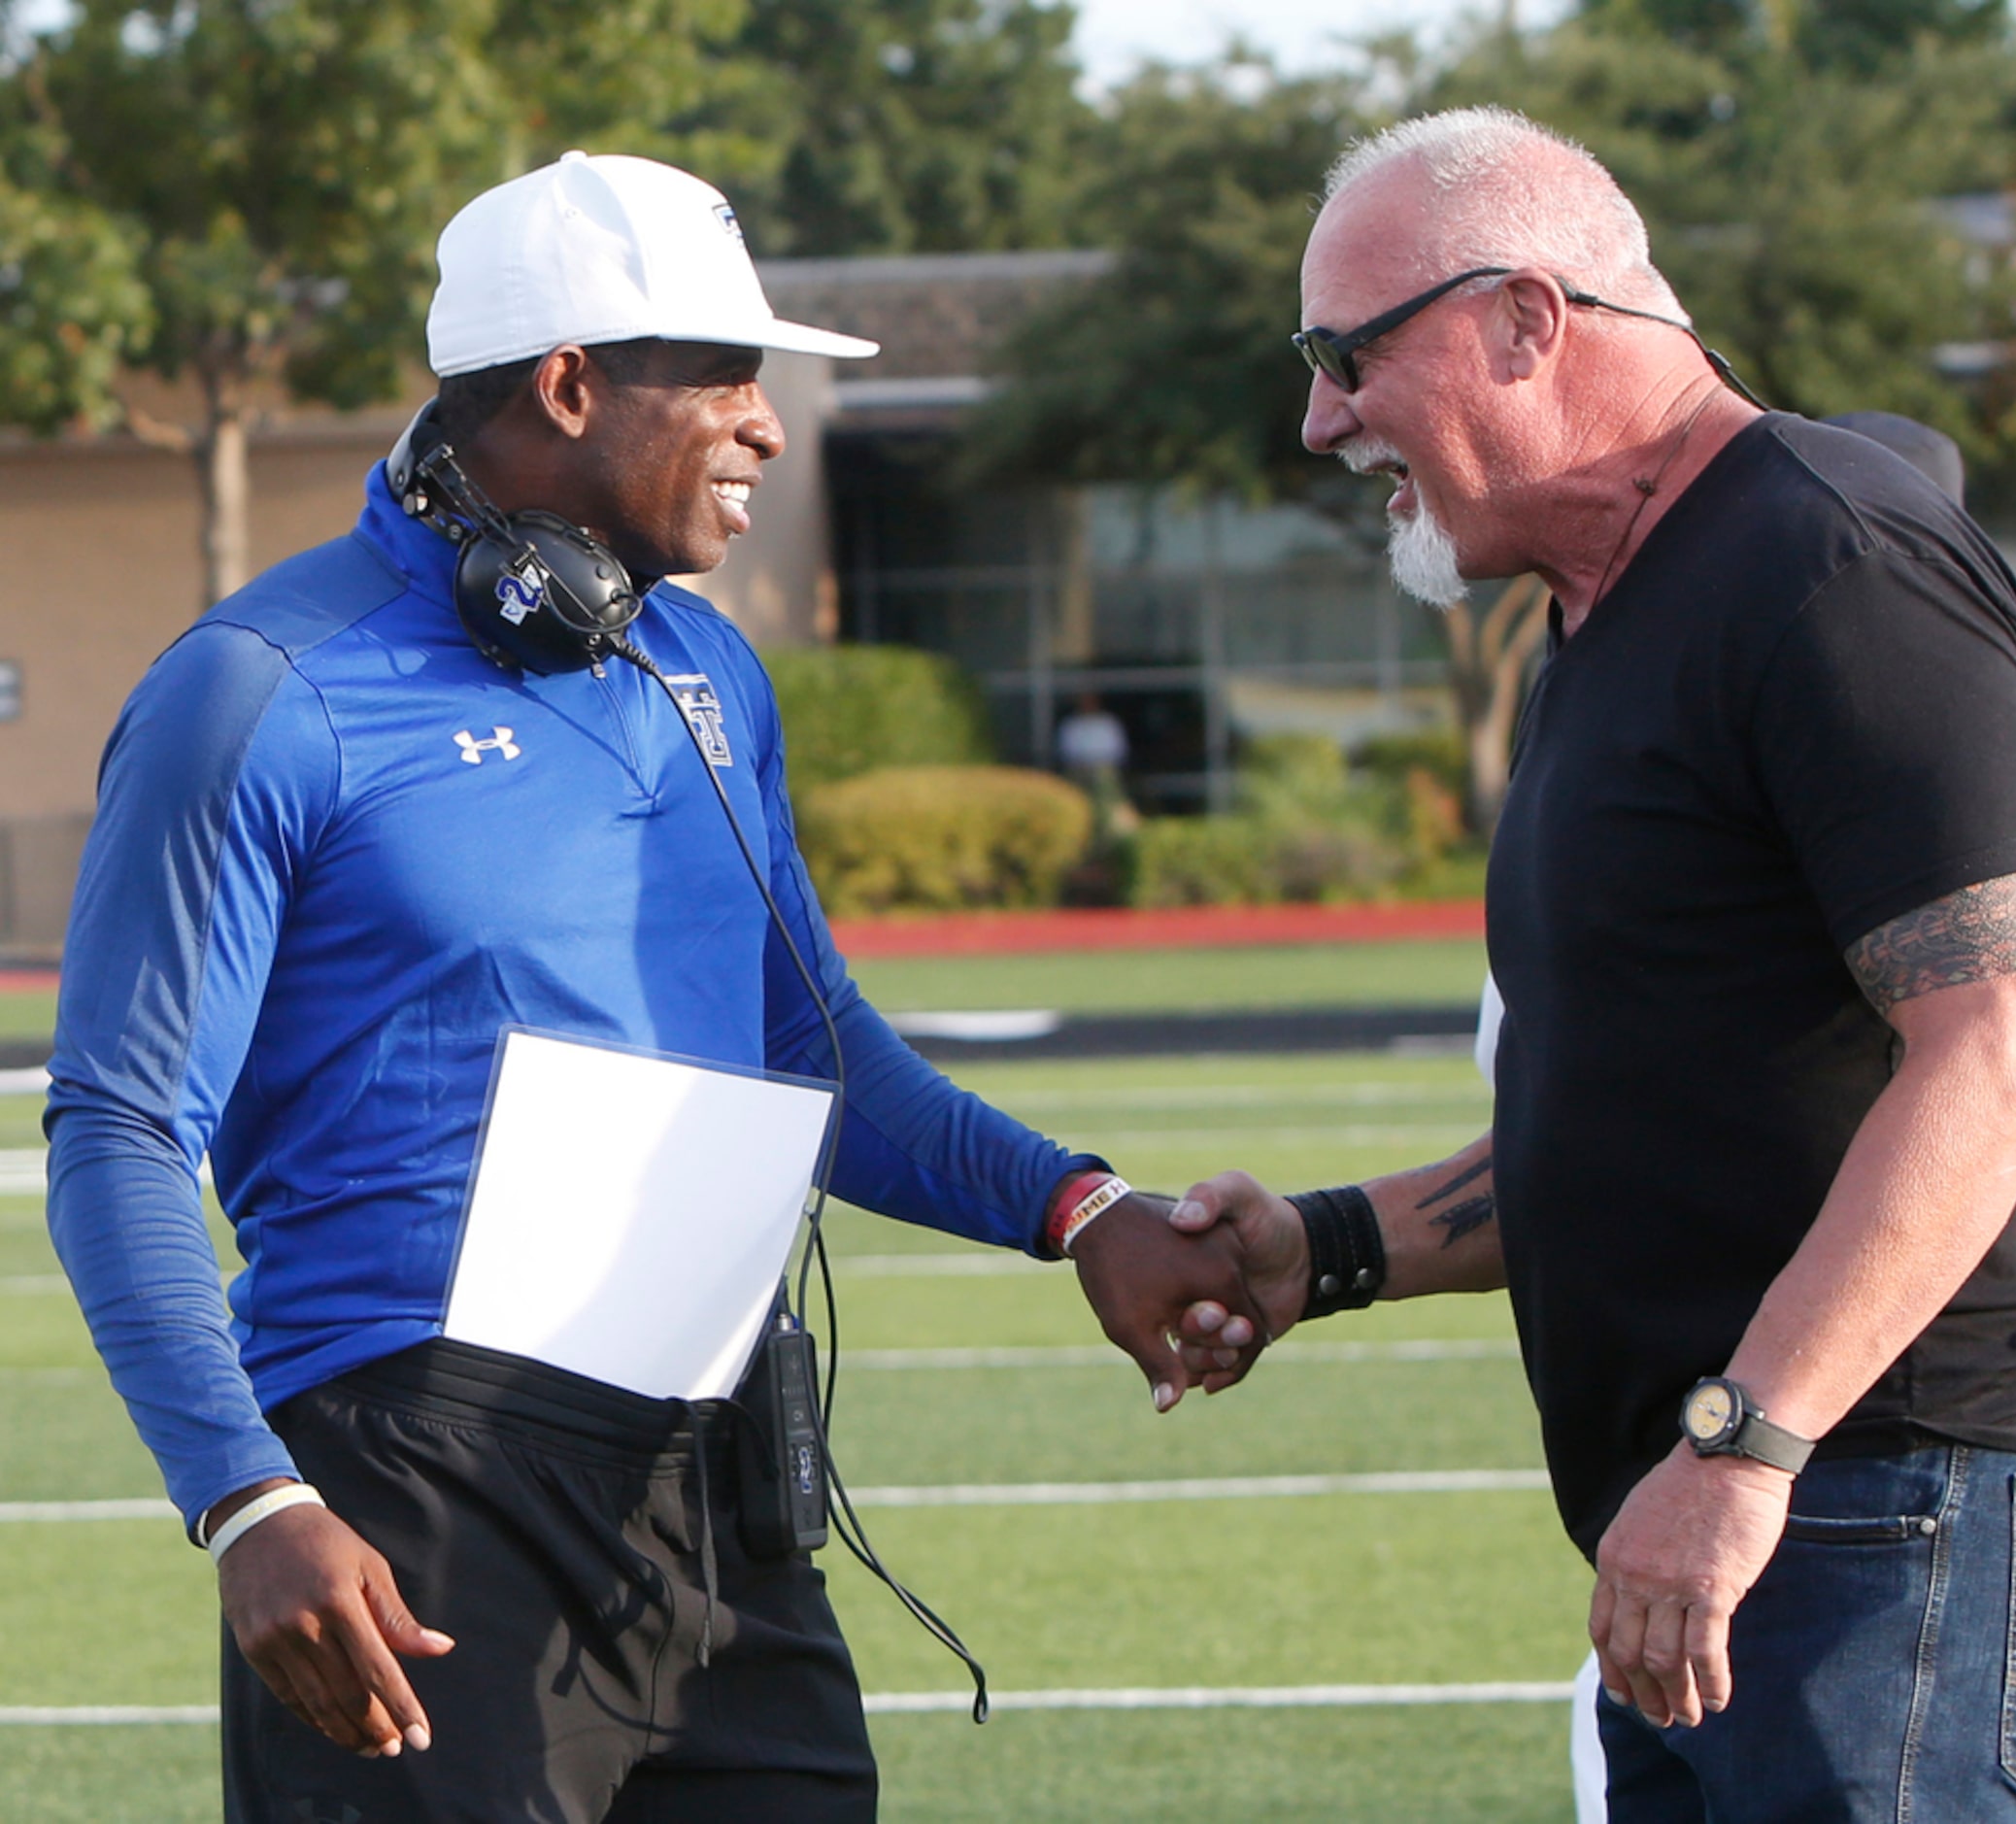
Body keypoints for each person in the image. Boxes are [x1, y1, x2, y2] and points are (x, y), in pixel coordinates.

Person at [44, 151, 1260, 1824]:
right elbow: (116, 1130)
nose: (767, 425)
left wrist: (1078, 1206)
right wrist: (245, 1497)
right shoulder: (259, 693)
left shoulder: (698, 664)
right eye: (727, 380)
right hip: (421, 1495)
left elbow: (809, 1049)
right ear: (564, 384)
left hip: (719, 1477)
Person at [1172, 108, 2016, 1821]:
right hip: (1755, 1505)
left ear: (1528, 320)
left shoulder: (1834, 560)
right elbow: (1661, 1115)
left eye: (1344, 353)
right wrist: (1332, 1246)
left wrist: (1744, 1446)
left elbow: (2001, 1046)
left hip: (1882, 1497)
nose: (1318, 416)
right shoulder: (1607, 613)